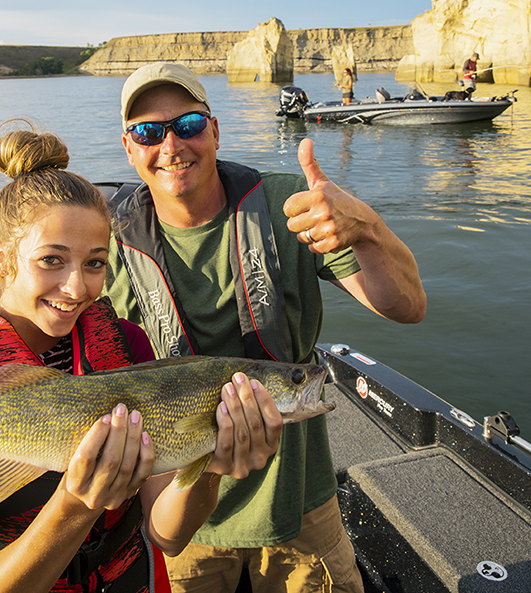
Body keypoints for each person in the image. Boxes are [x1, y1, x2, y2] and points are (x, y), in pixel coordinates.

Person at [0, 120, 282, 593]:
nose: (77, 287)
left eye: (95, 262)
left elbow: (167, 534)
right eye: (51, 260)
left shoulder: (129, 346)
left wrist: (212, 466)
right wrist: (78, 503)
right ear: (2, 256)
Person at [103, 62, 426, 592]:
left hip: (299, 506)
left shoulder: (287, 206)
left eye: (186, 125)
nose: (171, 145)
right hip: (184, 522)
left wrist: (367, 228)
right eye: (148, 131)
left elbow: (407, 306)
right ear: (129, 147)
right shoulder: (106, 250)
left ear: (213, 130)